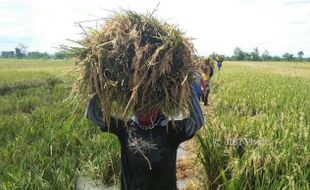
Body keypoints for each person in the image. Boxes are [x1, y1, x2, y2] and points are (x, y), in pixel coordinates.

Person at [85, 83, 204, 190]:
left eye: (149, 103)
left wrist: (189, 89)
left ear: (159, 104)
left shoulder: (170, 130)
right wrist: (99, 89)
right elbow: (93, 115)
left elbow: (197, 122)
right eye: (138, 103)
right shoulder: (124, 127)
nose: (143, 108)